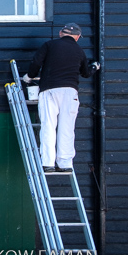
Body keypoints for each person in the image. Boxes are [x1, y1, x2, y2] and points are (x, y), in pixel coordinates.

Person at [23, 22, 99, 173]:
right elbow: (85, 73)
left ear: (60, 33)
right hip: (70, 92)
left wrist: (29, 77)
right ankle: (65, 163)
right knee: (67, 128)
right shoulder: (79, 51)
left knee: (48, 126)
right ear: (77, 37)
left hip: (49, 90)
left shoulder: (49, 45)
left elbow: (36, 62)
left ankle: (47, 163)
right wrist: (94, 67)